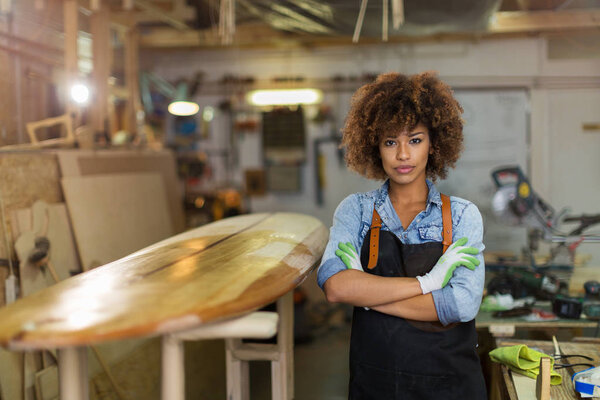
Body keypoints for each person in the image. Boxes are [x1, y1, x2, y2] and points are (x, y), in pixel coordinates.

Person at [317, 71, 487, 399]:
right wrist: (429, 284)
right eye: (390, 141)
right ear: (375, 147)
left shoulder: (463, 215)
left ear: (434, 143)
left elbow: (461, 305)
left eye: (415, 140)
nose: (403, 155)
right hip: (377, 385)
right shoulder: (356, 211)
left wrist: (367, 297)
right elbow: (337, 288)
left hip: (450, 387)